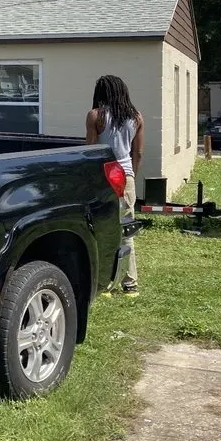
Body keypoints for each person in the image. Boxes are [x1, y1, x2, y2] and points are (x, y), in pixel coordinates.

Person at [86, 75, 144, 296]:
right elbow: (138, 152)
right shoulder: (136, 117)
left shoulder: (95, 116)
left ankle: (106, 285)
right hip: (126, 176)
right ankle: (130, 285)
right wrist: (132, 175)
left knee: (103, 230)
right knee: (126, 230)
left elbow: (90, 150)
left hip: (104, 176)